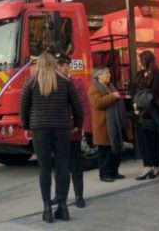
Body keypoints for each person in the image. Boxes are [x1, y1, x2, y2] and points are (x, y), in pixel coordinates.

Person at [20, 52, 83, 223]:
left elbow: (23, 106)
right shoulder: (65, 82)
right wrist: (77, 123)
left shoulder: (31, 83)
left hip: (39, 129)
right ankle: (62, 207)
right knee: (63, 167)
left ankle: (47, 209)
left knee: (44, 168)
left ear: (39, 65)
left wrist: (26, 127)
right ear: (55, 64)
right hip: (62, 128)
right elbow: (77, 105)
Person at [51, 54, 90, 209]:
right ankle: (59, 195)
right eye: (62, 65)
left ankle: (79, 196)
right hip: (57, 132)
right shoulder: (51, 84)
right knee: (59, 167)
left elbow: (83, 106)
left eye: (66, 64)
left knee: (76, 166)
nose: (65, 67)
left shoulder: (76, 83)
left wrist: (85, 128)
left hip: (72, 132)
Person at [88, 67, 131, 183]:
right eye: (106, 73)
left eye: (109, 72)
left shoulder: (111, 86)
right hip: (103, 125)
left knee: (115, 149)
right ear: (99, 76)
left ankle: (114, 172)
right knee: (104, 152)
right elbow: (97, 103)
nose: (109, 75)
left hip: (114, 124)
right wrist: (113, 96)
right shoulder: (94, 88)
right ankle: (105, 174)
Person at [132, 50, 159, 180]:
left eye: (142, 60)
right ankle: (147, 166)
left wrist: (141, 105)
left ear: (148, 60)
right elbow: (134, 90)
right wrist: (135, 105)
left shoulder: (157, 74)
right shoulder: (139, 74)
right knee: (143, 140)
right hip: (139, 111)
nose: (140, 63)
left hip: (152, 110)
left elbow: (153, 93)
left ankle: (156, 166)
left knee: (154, 140)